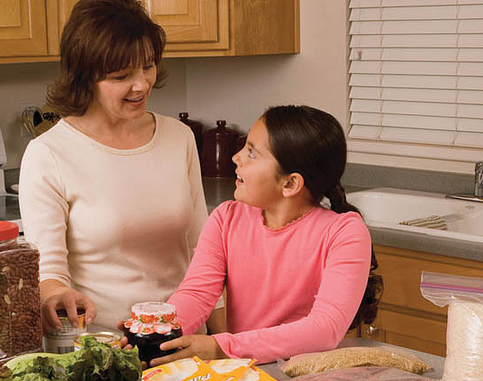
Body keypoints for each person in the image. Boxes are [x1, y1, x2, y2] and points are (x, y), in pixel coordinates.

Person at [19, 0, 223, 333]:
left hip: (182, 345)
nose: (141, 84)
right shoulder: (49, 154)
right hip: (102, 351)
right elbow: (49, 274)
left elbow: (203, 256)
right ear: (85, 77)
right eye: (120, 76)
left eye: (148, 66)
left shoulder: (178, 137)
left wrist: (223, 346)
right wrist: (55, 294)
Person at [138, 105, 382, 365]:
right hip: (246, 376)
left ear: (290, 184)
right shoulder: (226, 218)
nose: (236, 157)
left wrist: (223, 347)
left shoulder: (344, 232)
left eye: (251, 153)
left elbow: (324, 330)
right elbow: (196, 294)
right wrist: (154, 334)